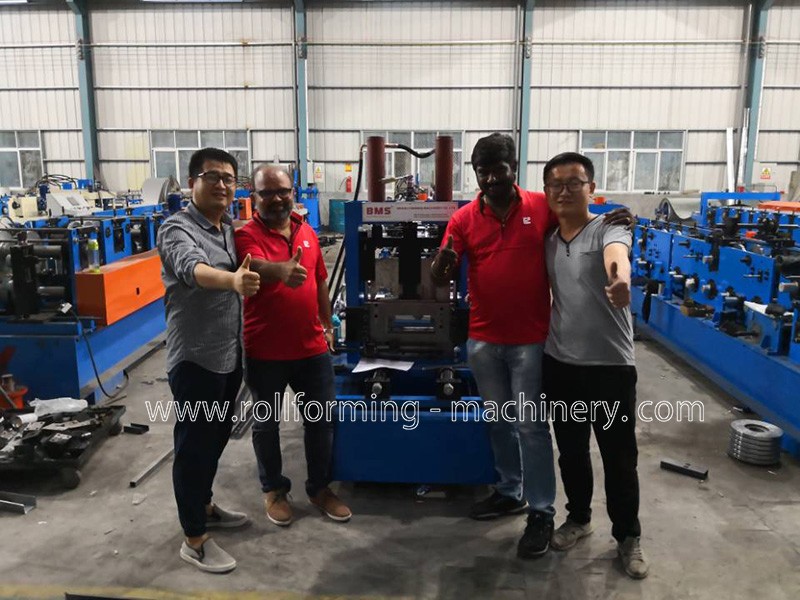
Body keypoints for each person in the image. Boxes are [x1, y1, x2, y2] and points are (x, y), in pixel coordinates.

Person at [431, 133, 632, 559]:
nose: (490, 178)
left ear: (514, 168)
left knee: (531, 427)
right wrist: (439, 267)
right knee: (499, 422)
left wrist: (616, 218)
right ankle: (510, 491)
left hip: (532, 342)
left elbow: (582, 220)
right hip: (483, 341)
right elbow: (442, 268)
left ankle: (541, 511)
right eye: (482, 172)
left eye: (498, 169)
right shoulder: (463, 218)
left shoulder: (541, 207)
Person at [541, 151, 648, 579]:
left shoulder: (610, 227)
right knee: (571, 453)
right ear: (547, 191)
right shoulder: (548, 239)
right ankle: (579, 518)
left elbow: (617, 255)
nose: (565, 191)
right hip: (561, 364)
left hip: (610, 368)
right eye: (556, 184)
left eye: (574, 182)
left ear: (592, 188)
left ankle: (628, 536)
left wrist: (620, 278)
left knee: (619, 458)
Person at [157, 147, 261, 574]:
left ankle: (203, 505)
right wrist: (232, 281)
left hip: (228, 355)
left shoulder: (228, 228)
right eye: (212, 176)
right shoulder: (176, 229)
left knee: (216, 440)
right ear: (191, 183)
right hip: (195, 359)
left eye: (229, 178)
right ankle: (194, 539)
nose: (222, 184)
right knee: (194, 448)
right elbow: (192, 269)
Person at [234, 164, 351, 527]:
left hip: (311, 348)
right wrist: (281, 270)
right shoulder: (245, 235)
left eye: (283, 191)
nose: (277, 199)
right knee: (266, 424)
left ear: (293, 193)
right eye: (267, 193)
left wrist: (327, 326)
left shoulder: (307, 232)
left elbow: (319, 283)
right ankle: (274, 489)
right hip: (265, 350)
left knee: (321, 422)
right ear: (254, 197)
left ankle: (319, 488)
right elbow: (254, 266)